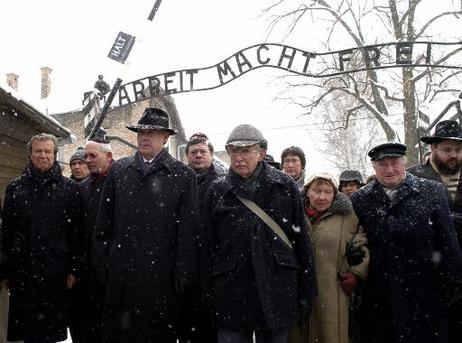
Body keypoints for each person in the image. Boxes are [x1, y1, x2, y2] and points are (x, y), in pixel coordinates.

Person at [203, 124, 317, 343]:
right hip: (231, 290)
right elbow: (208, 246)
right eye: (234, 151)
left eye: (245, 150)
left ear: (262, 152)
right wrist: (207, 293)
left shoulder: (285, 186)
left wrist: (306, 291)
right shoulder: (218, 190)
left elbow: (301, 240)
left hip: (277, 288)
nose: (239, 157)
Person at [94, 107, 200, 342]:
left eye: (152, 132)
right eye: (141, 131)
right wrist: (102, 261)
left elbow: (188, 230)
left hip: (162, 276)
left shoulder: (183, 176)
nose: (144, 137)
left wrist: (184, 270)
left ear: (165, 137)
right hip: (122, 273)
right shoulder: (119, 171)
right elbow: (104, 222)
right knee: (121, 334)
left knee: (157, 334)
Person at [351, 142, 462, 343]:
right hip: (379, 296)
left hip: (425, 291)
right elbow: (356, 239)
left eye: (394, 162)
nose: (389, 169)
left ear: (405, 163)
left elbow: (448, 239)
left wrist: (454, 280)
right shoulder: (360, 199)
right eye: (382, 164)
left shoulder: (432, 192)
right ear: (374, 167)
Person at [0, 133, 82, 342]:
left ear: (55, 155)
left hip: (55, 271)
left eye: (47, 151)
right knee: (26, 331)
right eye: (38, 151)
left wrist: (74, 268)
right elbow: (7, 231)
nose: (42, 155)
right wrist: (5, 269)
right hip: (23, 271)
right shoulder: (15, 188)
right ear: (30, 154)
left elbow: (76, 233)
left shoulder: (69, 189)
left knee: (50, 332)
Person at [408, 119, 462, 341]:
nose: (454, 155)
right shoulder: (413, 177)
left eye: (458, 150)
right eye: (447, 149)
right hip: (426, 272)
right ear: (433, 148)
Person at [302, 173, 368, 343]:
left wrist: (355, 274)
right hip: (300, 293)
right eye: (317, 191)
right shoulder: (295, 214)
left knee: (331, 334)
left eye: (327, 192)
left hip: (334, 291)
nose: (322, 197)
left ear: (335, 194)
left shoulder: (348, 216)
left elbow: (360, 244)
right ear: (307, 191)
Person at [181, 132, 227, 343]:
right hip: (185, 268)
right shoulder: (179, 183)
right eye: (193, 152)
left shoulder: (223, 186)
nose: (198, 155)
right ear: (187, 156)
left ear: (211, 155)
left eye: (202, 152)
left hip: (214, 268)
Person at [69, 138, 114, 343]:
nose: (87, 160)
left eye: (92, 156)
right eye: (85, 156)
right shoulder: (82, 188)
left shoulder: (123, 182)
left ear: (109, 156)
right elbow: (76, 230)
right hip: (86, 272)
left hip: (113, 272)